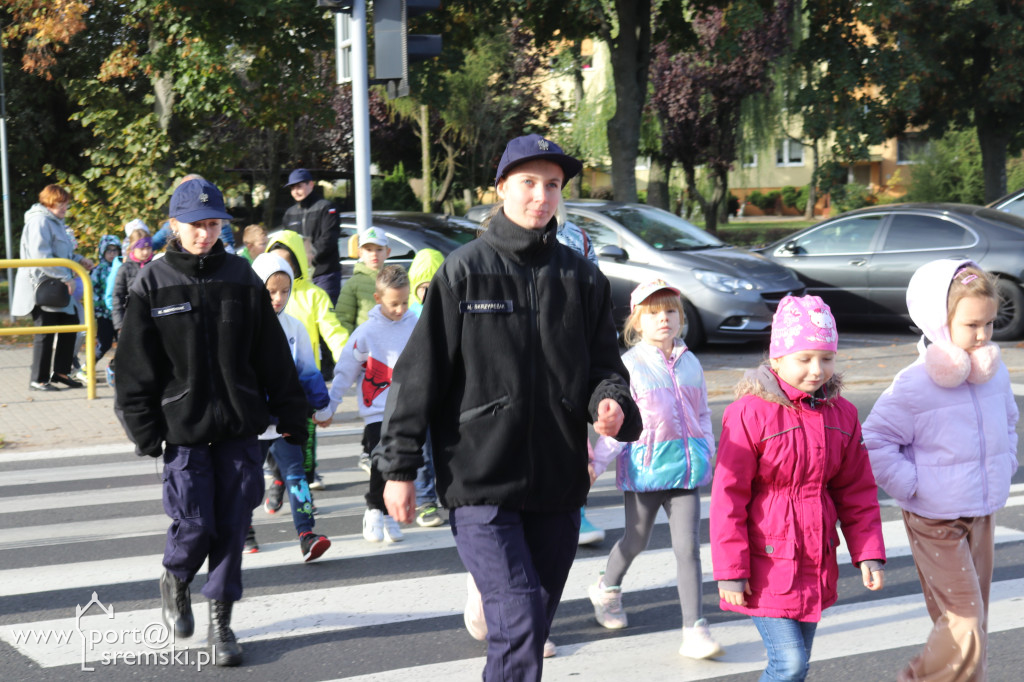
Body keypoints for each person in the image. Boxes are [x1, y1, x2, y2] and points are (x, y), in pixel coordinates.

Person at [375, 133, 642, 682]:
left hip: (558, 481)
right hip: (479, 479)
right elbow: (417, 377)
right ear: (501, 188)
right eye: (528, 183)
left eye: (552, 185)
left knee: (529, 627)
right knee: (519, 619)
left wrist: (610, 403)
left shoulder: (582, 277)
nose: (541, 196)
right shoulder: (463, 271)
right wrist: (398, 468)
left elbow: (605, 370)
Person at [114, 177, 308, 667]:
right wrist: (143, 429)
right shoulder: (152, 283)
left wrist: (291, 413)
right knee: (194, 522)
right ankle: (175, 578)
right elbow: (134, 367)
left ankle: (221, 623)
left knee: (231, 524)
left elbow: (272, 355)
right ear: (174, 225)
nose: (204, 233)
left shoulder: (242, 278)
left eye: (213, 223)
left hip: (240, 424)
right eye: (195, 225)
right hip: (183, 428)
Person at [710, 294, 886, 682]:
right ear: (776, 360)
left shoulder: (843, 413)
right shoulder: (749, 413)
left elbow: (856, 490)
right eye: (804, 359)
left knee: (797, 664)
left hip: (814, 559)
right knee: (789, 664)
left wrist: (868, 551)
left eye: (826, 358)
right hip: (766, 562)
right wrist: (731, 570)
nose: (816, 369)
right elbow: (728, 496)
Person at [863, 259, 1018, 682]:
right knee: (963, 623)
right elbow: (873, 440)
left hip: (982, 512)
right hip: (935, 520)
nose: (983, 335)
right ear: (940, 322)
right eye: (972, 325)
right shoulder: (914, 384)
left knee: (972, 626)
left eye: (989, 323)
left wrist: (1008, 463)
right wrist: (913, 487)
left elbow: (1008, 420)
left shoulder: (994, 372)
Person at [588, 279, 723, 659]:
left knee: (689, 550)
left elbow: (701, 412)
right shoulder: (627, 367)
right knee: (636, 539)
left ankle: (694, 628)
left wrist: (707, 449)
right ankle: (607, 588)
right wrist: (596, 463)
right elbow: (616, 425)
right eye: (652, 313)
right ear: (636, 322)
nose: (663, 319)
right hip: (646, 471)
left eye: (670, 311)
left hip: (687, 473)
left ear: (680, 318)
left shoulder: (691, 362)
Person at [314, 264, 417, 543]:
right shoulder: (366, 332)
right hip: (376, 411)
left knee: (399, 464)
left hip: (408, 409)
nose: (401, 309)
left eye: (405, 302)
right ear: (378, 298)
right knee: (380, 462)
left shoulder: (415, 324)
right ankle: (374, 509)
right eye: (394, 303)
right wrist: (329, 407)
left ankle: (387, 515)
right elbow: (345, 372)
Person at [248, 252, 333, 561]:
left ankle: (307, 534)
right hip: (252, 422)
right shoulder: (243, 325)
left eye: (284, 291)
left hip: (286, 419)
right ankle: (244, 528)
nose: (278, 298)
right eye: (271, 291)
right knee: (247, 479)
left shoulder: (295, 327)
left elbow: (309, 371)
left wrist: (320, 407)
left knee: (297, 476)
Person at [264, 229, 349, 498]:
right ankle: (279, 479)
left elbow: (333, 331)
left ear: (299, 262)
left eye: (287, 262)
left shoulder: (314, 295)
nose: (281, 267)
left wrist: (349, 356)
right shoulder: (260, 299)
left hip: (304, 382)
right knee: (270, 441)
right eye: (274, 261)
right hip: (270, 386)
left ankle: (302, 490)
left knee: (302, 443)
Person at [11, 184, 93, 391]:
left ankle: (61, 373)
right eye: (61, 203)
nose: (66, 207)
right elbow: (41, 257)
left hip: (56, 287)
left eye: (66, 203)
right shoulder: (39, 221)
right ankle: (37, 379)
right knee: (45, 333)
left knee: (71, 324)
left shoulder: (56, 222)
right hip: (42, 287)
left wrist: (79, 259)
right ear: (49, 202)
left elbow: (61, 255)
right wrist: (67, 276)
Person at [337, 226, 391, 474]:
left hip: (391, 357)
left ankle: (379, 447)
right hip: (367, 359)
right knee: (372, 407)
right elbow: (343, 318)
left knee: (390, 405)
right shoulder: (355, 282)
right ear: (360, 252)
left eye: (378, 249)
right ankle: (369, 450)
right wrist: (353, 349)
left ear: (387, 251)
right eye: (368, 250)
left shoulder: (393, 278)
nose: (374, 255)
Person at [282, 169, 342, 305]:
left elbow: (329, 239)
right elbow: (287, 243)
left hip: (325, 274)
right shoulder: (289, 214)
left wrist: (308, 257)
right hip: (300, 277)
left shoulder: (327, 208)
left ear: (311, 184)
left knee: (325, 318)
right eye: (292, 188)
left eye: (299, 186)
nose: (295, 191)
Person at [111, 229, 153, 333]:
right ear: (133, 248)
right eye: (142, 248)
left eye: (148, 248)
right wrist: (119, 324)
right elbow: (117, 296)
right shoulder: (125, 269)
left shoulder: (155, 266)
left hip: (152, 319)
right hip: (130, 320)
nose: (146, 252)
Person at [90, 235, 121, 364]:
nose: (112, 254)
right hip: (104, 315)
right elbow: (93, 291)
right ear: (103, 252)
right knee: (104, 344)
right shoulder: (98, 270)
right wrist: (98, 308)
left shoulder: (121, 267)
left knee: (124, 344)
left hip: (119, 313)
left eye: (115, 250)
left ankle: (116, 368)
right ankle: (87, 368)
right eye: (109, 251)